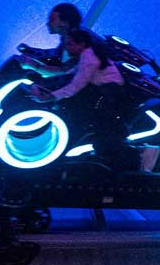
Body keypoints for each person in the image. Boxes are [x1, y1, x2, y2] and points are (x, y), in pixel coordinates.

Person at [29, 29, 130, 165]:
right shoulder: (87, 55)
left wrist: (50, 96)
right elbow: (70, 76)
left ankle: (99, 157)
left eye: (70, 44)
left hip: (109, 95)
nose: (67, 48)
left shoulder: (90, 59)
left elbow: (75, 86)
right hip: (103, 91)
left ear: (81, 44)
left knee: (95, 125)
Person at [17, 2, 83, 76]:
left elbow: (64, 72)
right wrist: (30, 50)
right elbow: (56, 54)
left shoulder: (77, 42)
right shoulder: (71, 37)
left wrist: (33, 65)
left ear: (64, 22)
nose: (48, 23)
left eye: (52, 19)